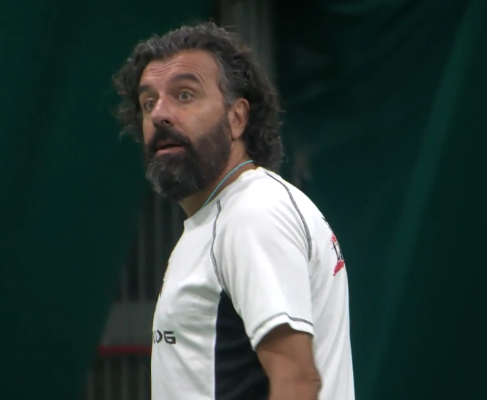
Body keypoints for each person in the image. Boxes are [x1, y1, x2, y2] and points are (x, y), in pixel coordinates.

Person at [113, 22, 354, 400]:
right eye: (148, 102)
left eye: (185, 95)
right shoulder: (226, 215)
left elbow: (297, 381)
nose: (159, 114)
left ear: (237, 118)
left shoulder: (252, 213)